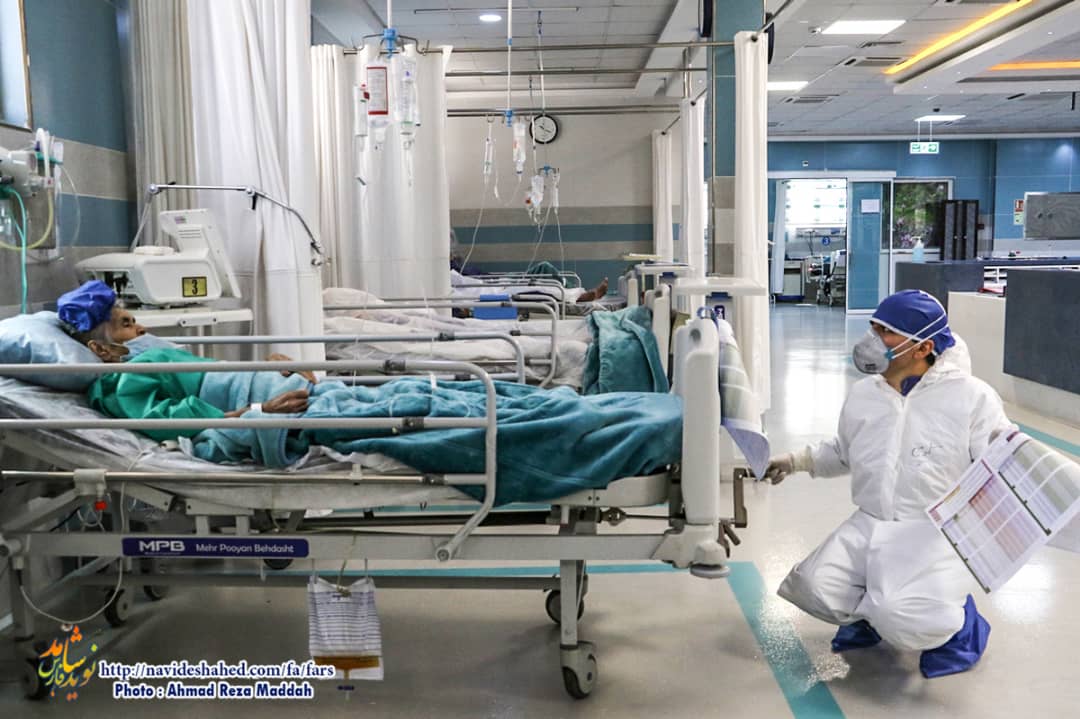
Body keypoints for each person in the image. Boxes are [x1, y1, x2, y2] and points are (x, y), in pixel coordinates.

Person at [765, 289, 1012, 679]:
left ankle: (963, 626)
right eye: (874, 328)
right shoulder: (865, 394)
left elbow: (1004, 463)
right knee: (812, 587)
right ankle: (871, 617)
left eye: (886, 332)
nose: (871, 340)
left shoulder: (972, 398)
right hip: (872, 520)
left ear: (923, 347)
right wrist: (795, 461)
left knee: (901, 618)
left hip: (934, 530)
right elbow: (844, 452)